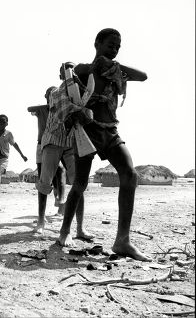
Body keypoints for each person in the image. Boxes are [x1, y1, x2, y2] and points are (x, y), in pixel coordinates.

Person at [58, 28, 150, 262]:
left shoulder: (115, 72)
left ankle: (122, 240)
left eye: (118, 46)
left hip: (109, 131)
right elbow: (68, 84)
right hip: (86, 132)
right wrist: (92, 67)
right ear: (97, 43)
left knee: (129, 175)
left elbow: (143, 76)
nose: (114, 49)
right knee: (79, 184)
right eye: (110, 45)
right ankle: (65, 232)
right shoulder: (81, 70)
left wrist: (114, 65)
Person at [33, 75, 93, 239]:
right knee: (45, 183)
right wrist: (80, 109)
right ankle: (40, 222)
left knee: (78, 184)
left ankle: (80, 228)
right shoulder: (55, 92)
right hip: (53, 140)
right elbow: (63, 108)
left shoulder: (82, 95)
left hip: (71, 142)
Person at [28, 88, 67, 216]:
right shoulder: (41, 110)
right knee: (42, 176)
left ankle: (60, 201)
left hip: (56, 143)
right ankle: (42, 215)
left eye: (54, 95)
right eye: (49, 95)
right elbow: (29, 109)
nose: (52, 96)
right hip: (41, 144)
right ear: (45, 96)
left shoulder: (61, 107)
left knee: (60, 170)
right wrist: (47, 106)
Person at [0, 114, 27, 211]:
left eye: (3, 122)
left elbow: (14, 144)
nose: (1, 123)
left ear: (6, 123)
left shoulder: (8, 134)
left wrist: (22, 155)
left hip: (3, 159)